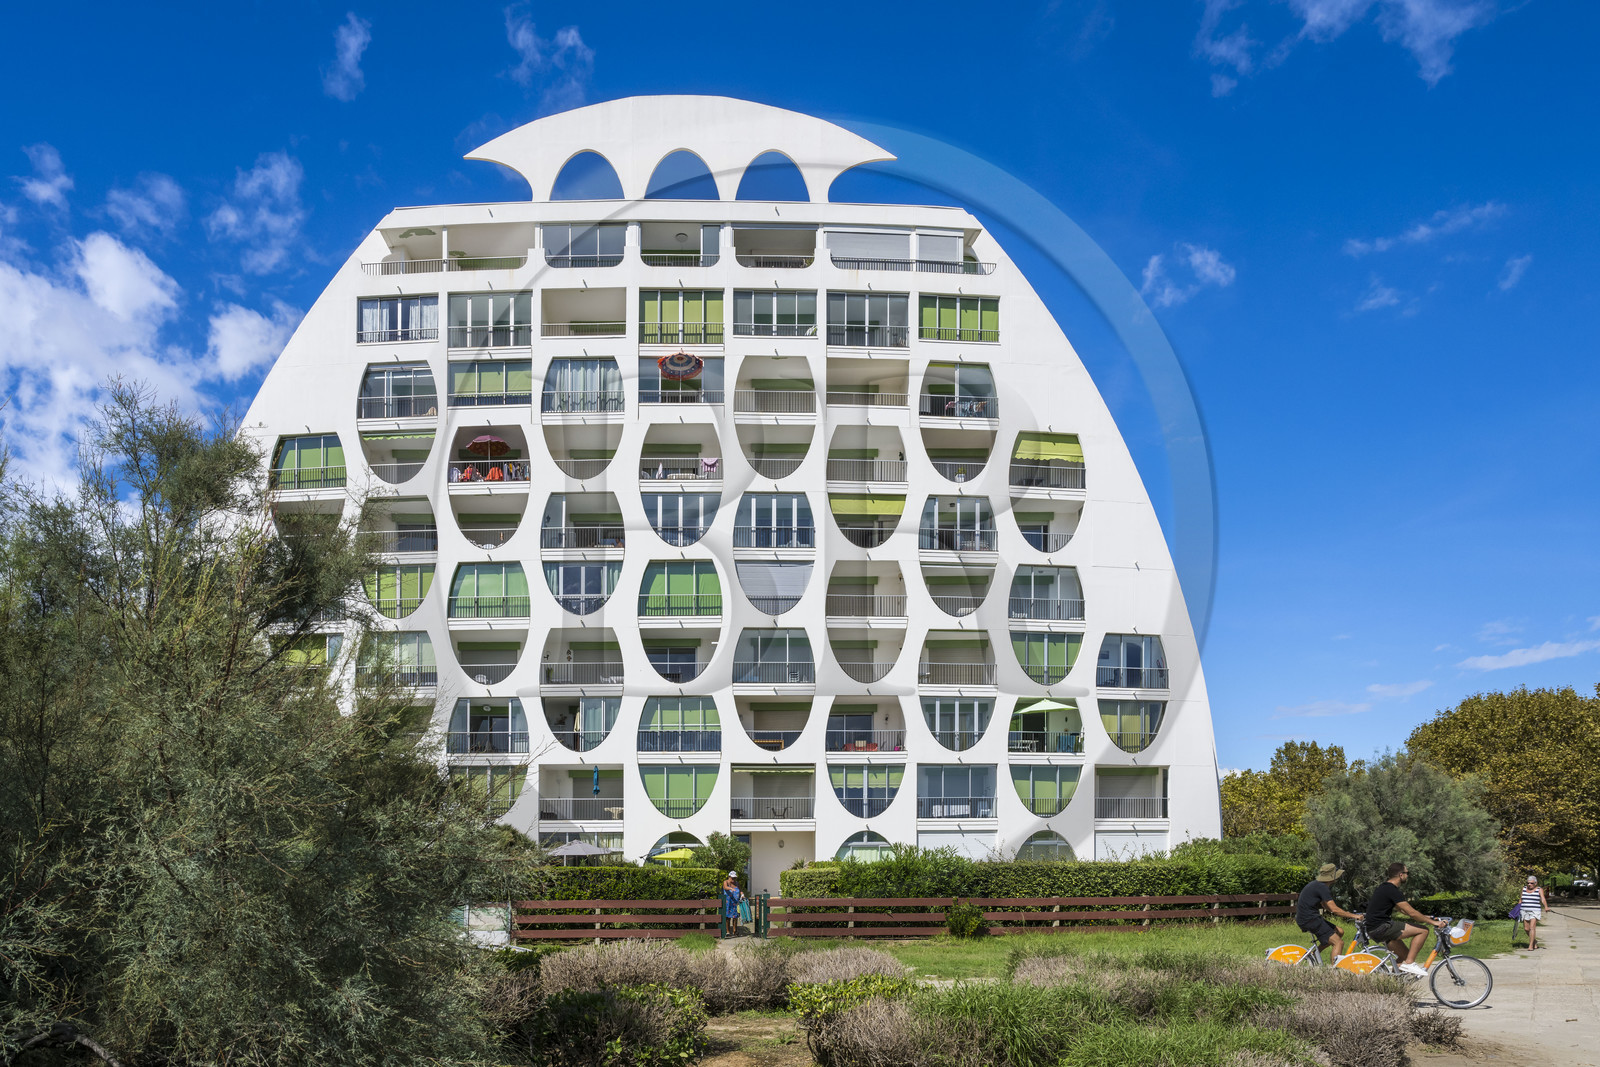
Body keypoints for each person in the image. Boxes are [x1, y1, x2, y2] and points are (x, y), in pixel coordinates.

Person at [1366, 862, 1448, 976]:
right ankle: (1410, 963)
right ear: (1401, 875)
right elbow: (1412, 913)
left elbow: (1403, 910)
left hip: (1374, 928)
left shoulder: (1384, 887)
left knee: (1402, 957)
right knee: (1423, 930)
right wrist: (1434, 922)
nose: (1407, 876)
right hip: (1382, 927)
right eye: (1407, 873)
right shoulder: (1392, 890)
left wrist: (1424, 917)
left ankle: (1394, 985)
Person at [1296, 862, 1364, 960]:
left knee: (1339, 932)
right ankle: (1334, 971)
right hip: (1310, 919)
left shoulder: (1318, 885)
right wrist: (1354, 916)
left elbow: (1326, 906)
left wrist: (1341, 912)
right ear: (1332, 876)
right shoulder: (1322, 887)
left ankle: (1314, 955)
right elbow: (1334, 909)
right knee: (1338, 943)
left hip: (1307, 918)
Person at [1520, 875, 1549, 949]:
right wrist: (1517, 909)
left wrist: (1546, 906)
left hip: (1535, 911)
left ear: (1535, 883)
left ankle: (1530, 946)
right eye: (1528, 883)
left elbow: (1543, 899)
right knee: (1526, 929)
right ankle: (1534, 941)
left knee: (1532, 928)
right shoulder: (1524, 889)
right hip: (1524, 910)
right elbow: (1521, 899)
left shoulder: (1539, 889)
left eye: (1531, 883)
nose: (1529, 884)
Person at [721, 871, 744, 938]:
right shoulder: (726, 882)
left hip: (735, 903)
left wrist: (742, 894)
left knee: (735, 917)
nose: (733, 879)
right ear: (729, 877)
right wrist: (731, 888)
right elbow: (725, 887)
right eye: (732, 878)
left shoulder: (737, 883)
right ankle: (728, 931)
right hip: (728, 903)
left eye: (735, 878)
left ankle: (735, 931)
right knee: (727, 917)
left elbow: (740, 890)